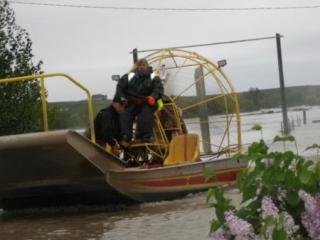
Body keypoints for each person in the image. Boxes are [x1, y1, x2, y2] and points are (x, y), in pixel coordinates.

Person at [116, 58, 164, 146]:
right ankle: (126, 137)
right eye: (139, 65)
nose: (141, 67)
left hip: (148, 103)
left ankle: (146, 137)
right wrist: (122, 98)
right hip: (133, 103)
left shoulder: (153, 76)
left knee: (144, 113)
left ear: (147, 66)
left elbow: (159, 89)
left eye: (143, 65)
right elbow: (120, 87)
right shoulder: (129, 76)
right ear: (137, 67)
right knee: (125, 113)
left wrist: (153, 96)